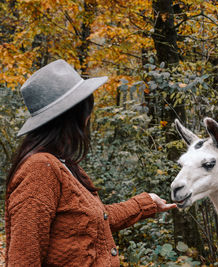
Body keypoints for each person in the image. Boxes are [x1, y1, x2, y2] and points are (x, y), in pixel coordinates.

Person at [5, 59, 177, 266]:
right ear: (74, 117)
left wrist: (145, 203)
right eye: (87, 111)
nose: (88, 119)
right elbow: (23, 259)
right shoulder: (40, 169)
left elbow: (94, 221)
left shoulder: (64, 164)